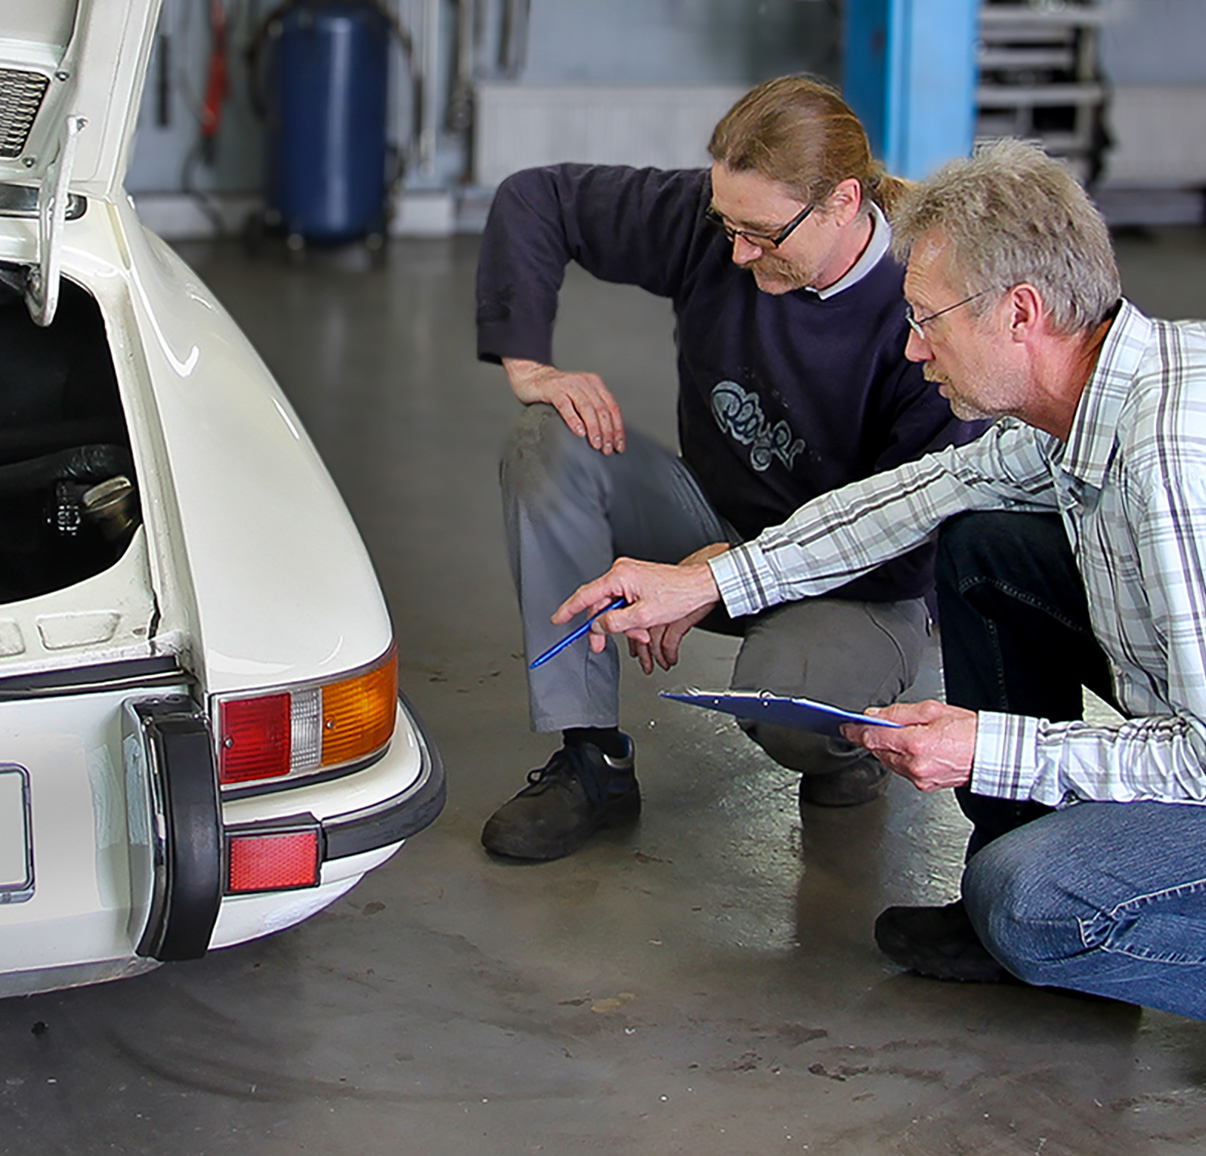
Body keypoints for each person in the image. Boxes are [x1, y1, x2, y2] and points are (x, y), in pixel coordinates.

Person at [555, 137, 1206, 1018]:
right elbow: (906, 500)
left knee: (1035, 901)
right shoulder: (1086, 404)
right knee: (985, 545)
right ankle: (1001, 887)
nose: (911, 350)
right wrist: (711, 582)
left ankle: (1029, 909)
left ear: (1019, 313)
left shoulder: (1172, 460)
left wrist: (984, 747)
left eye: (928, 319)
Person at [475, 75, 983, 861]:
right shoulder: (727, 224)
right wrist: (529, 366)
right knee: (547, 442)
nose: (738, 253)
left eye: (764, 235)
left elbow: (903, 541)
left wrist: (732, 572)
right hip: (712, 527)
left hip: (863, 581)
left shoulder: (925, 310)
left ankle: (841, 747)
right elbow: (537, 198)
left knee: (787, 708)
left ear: (845, 203)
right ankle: (592, 760)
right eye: (727, 226)